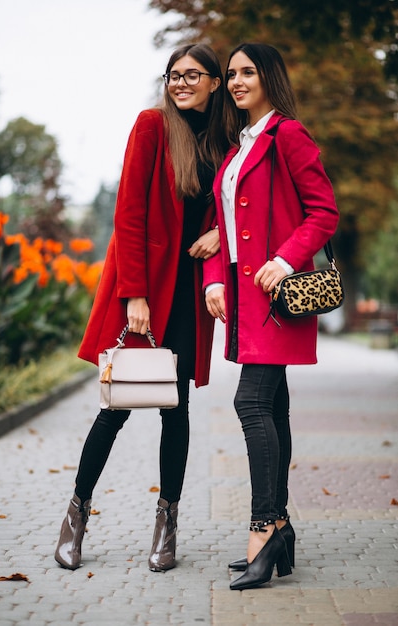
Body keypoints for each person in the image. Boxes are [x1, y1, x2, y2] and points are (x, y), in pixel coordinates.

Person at [55, 43, 232, 573]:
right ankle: (75, 515)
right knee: (117, 406)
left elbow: (235, 207)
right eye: (174, 75)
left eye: (192, 75)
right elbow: (129, 213)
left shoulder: (225, 140)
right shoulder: (153, 125)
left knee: (174, 411)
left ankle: (167, 523)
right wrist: (133, 294)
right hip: (147, 292)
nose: (180, 83)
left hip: (189, 295)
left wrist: (222, 236)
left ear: (214, 83)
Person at [204, 43, 340, 591]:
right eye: (231, 74)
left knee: (251, 401)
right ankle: (280, 527)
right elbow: (223, 225)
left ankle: (264, 529)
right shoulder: (236, 148)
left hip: (277, 297)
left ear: (269, 78)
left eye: (247, 73)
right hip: (242, 300)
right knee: (273, 405)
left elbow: (324, 210)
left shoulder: (289, 134)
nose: (236, 82)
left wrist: (284, 260)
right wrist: (215, 277)